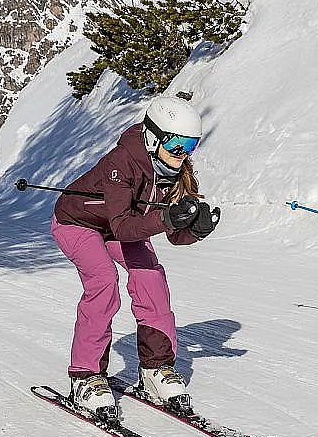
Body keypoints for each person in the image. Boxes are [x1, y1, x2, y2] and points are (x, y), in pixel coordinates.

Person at [51, 94, 220, 419]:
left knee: (151, 278)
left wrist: (194, 228)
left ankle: (155, 370)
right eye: (177, 145)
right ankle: (84, 376)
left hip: (121, 227)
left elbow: (174, 235)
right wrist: (166, 218)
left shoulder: (172, 173)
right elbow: (123, 225)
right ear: (154, 137)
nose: (182, 155)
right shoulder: (123, 162)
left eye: (190, 146)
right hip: (77, 222)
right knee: (103, 280)